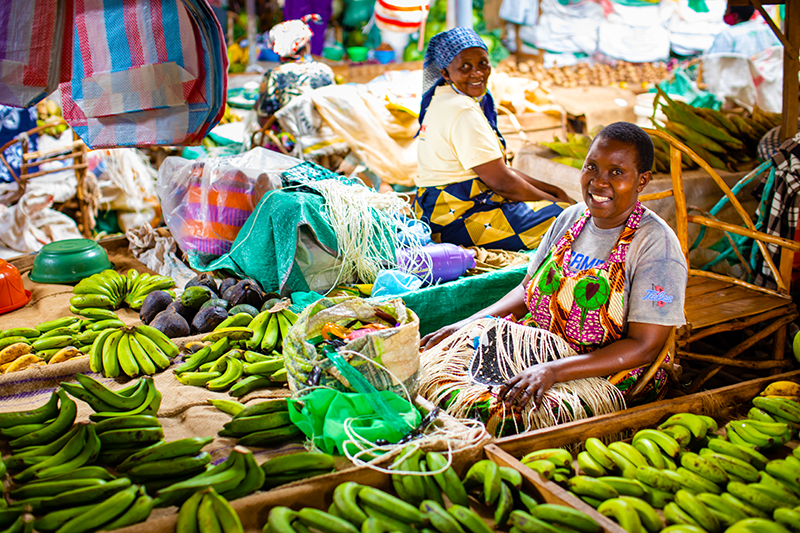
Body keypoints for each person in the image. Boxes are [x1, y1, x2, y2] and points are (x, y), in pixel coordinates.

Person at [421, 122, 688, 410]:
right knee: (434, 377)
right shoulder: (570, 218)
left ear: (642, 180)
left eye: (617, 172)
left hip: (610, 373)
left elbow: (644, 346)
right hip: (539, 348)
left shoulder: (656, 245)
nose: (599, 182)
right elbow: (527, 291)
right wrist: (468, 324)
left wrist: (554, 371)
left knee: (505, 413)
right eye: (592, 167)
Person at [413, 27, 571, 251]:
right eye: (465, 67)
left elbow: (497, 169)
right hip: (456, 219)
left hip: (435, 211)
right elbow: (502, 183)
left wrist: (553, 191)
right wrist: (555, 202)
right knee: (568, 221)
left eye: (483, 64)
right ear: (446, 73)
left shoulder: (441, 100)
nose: (477, 73)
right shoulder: (462, 111)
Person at [254, 15, 335, 122]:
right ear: (306, 45)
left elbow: (264, 118)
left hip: (292, 137)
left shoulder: (274, 75)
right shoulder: (325, 70)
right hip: (325, 134)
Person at [706, 5, 780, 57]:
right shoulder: (767, 30)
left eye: (726, 11)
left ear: (735, 16)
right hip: (765, 77)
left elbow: (714, 61)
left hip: (738, 78)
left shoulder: (727, 34)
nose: (724, 14)